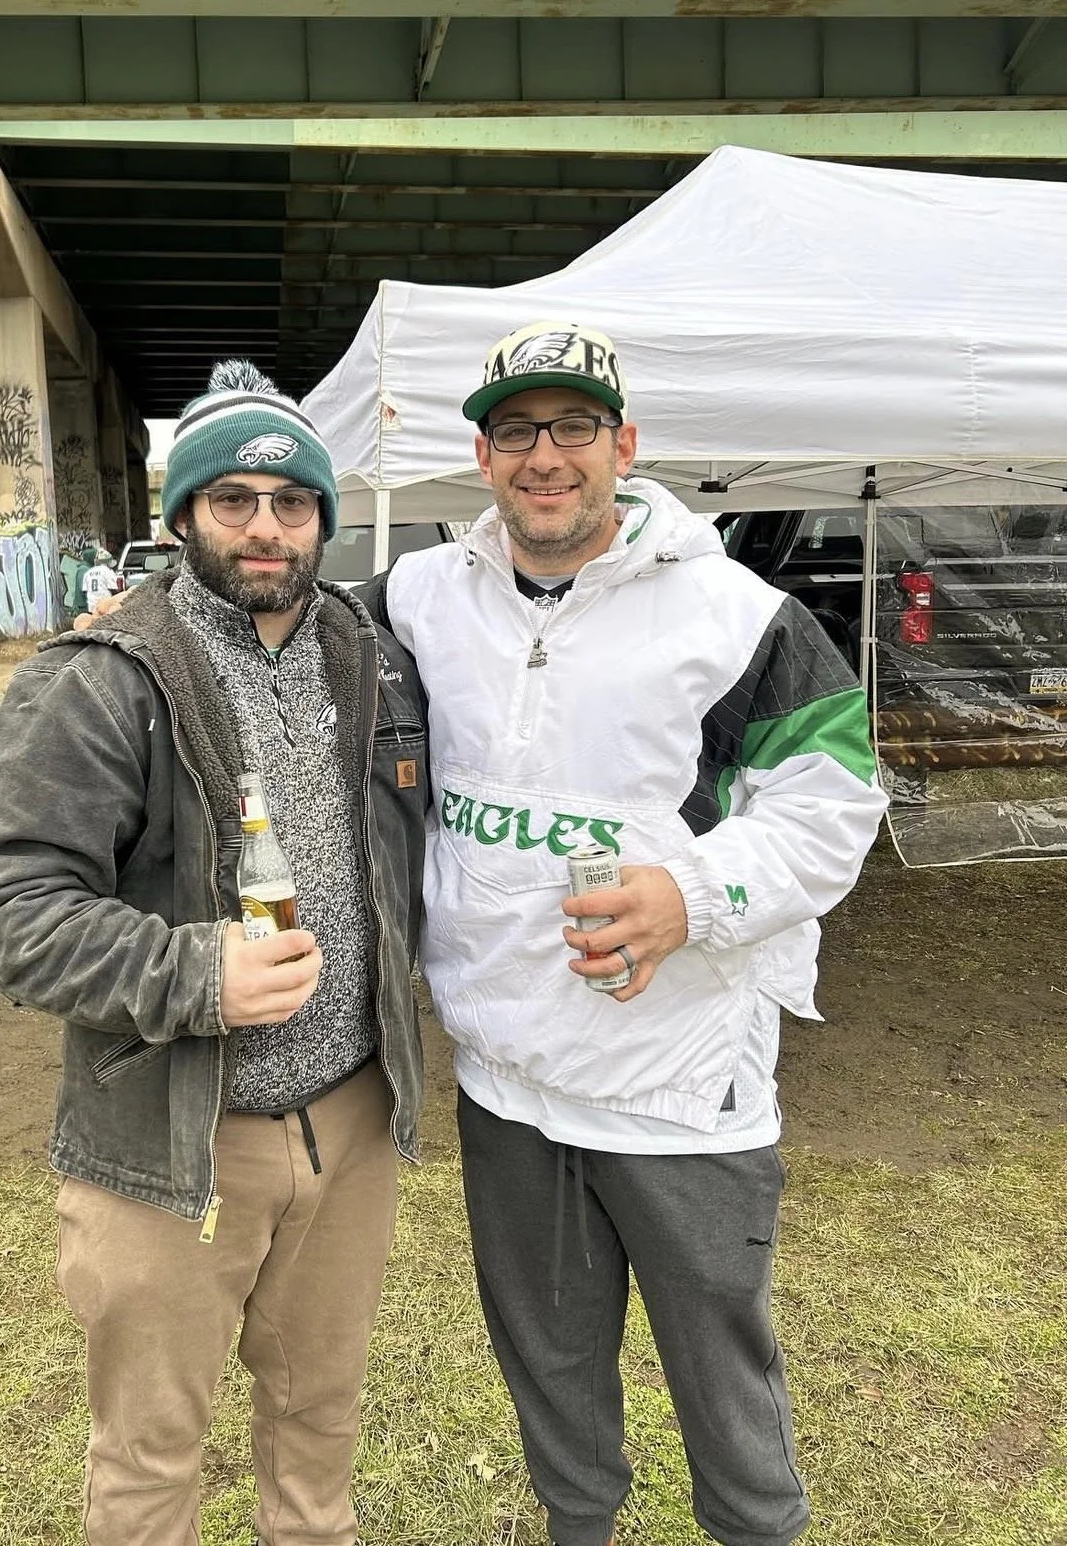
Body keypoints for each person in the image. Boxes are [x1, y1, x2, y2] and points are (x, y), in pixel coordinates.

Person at [360, 321, 889, 1546]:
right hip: (505, 1079)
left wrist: (690, 895)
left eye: (574, 429)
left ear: (625, 446)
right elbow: (273, 641)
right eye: (516, 433)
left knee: (724, 1378)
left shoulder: (738, 616)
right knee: (548, 1369)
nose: (546, 457)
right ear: (482, 458)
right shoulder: (420, 597)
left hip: (677, 1080)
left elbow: (835, 801)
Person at [0, 359, 428, 1546]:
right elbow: (3, 906)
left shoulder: (376, 658)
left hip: (352, 1123)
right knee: (151, 1457)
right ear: (181, 518)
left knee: (320, 1426)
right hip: (174, 1141)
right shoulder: (100, 680)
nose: (266, 527)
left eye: (292, 501)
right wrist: (197, 974)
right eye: (234, 500)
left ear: (321, 516)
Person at [80, 544, 120, 613]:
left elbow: (85, 591)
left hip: (92, 608)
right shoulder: (107, 571)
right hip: (105, 607)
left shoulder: (88, 573)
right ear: (108, 562)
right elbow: (113, 589)